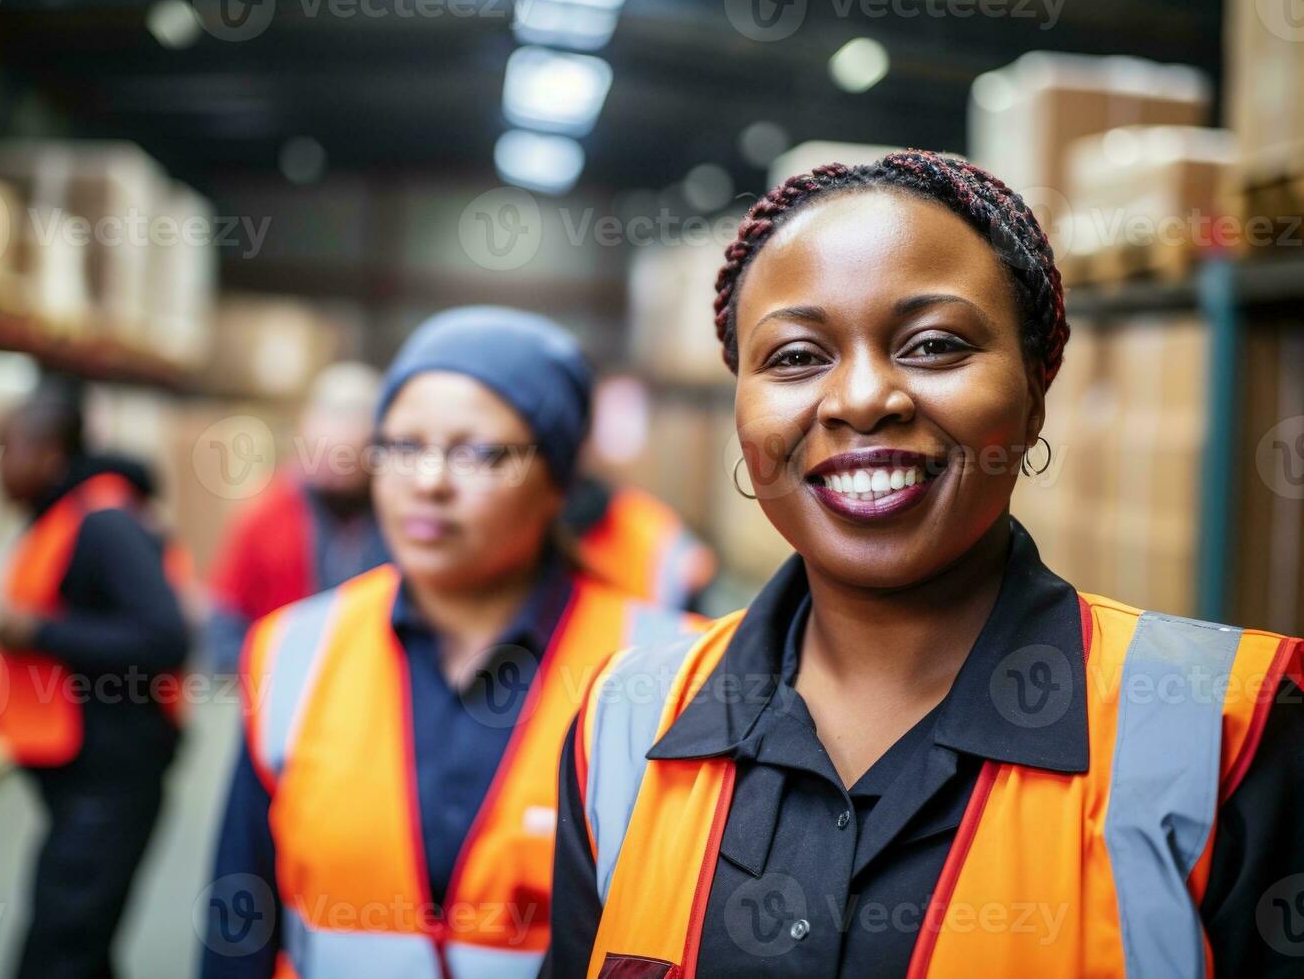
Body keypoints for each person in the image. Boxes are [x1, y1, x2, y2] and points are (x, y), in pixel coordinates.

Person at [541, 151, 1304, 977]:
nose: (863, 398)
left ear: (1035, 390)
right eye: (796, 356)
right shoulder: (623, 725)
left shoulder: (1232, 733)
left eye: (934, 344)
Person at [200, 307, 706, 978]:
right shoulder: (295, 649)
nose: (429, 481)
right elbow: (240, 910)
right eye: (402, 447)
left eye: (476, 453)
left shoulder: (669, 674)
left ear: (556, 482)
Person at [0, 380, 191, 979]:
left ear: (50, 454)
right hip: (81, 778)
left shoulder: (104, 525)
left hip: (112, 779)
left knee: (59, 952)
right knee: (80, 945)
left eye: (6, 451)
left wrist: (40, 633)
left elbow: (165, 639)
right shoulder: (60, 518)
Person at [206, 362, 390, 671]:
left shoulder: (397, 521)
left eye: (348, 455)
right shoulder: (265, 515)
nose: (333, 470)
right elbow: (225, 625)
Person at [563, 475, 716, 613]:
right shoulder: (626, 506)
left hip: (665, 606)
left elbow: (700, 564)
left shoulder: (628, 509)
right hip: (655, 610)